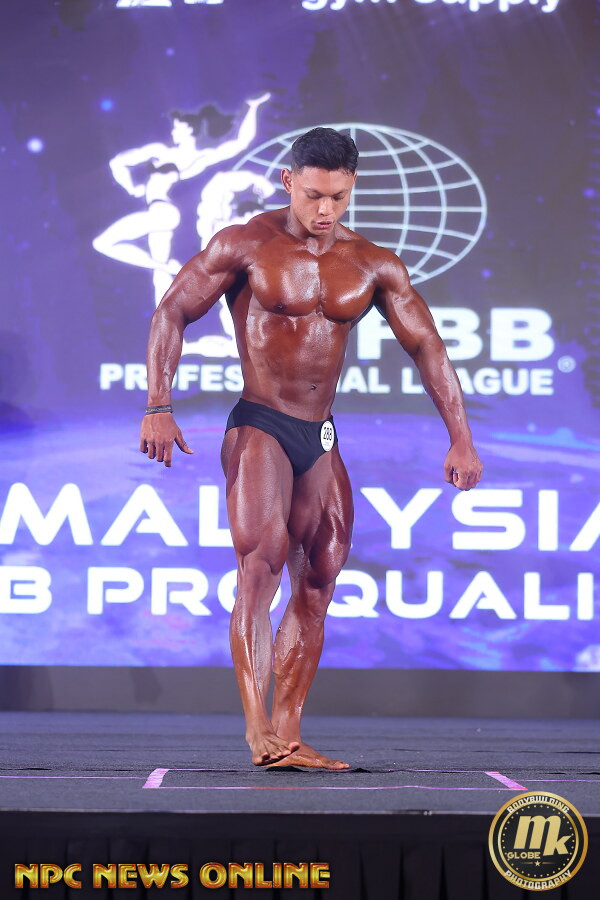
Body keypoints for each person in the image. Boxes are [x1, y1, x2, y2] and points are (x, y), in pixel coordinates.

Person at [140, 127, 483, 769]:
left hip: (320, 434)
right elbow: (172, 311)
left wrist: (460, 436)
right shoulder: (246, 243)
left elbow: (426, 346)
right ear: (288, 181)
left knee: (321, 578)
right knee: (261, 568)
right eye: (314, 195)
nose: (325, 210)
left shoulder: (373, 263)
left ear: (352, 189)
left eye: (338, 198)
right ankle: (256, 729)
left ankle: (289, 734)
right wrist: (159, 404)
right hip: (261, 425)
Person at [93, 93, 270, 310]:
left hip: (162, 212)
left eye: (177, 128)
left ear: (189, 130)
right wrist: (131, 187)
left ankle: (171, 268)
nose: (173, 132)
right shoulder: (179, 156)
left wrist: (252, 108)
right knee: (159, 278)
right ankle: (167, 319)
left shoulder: (177, 155)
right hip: (162, 212)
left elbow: (240, 143)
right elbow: (118, 163)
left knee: (104, 243)